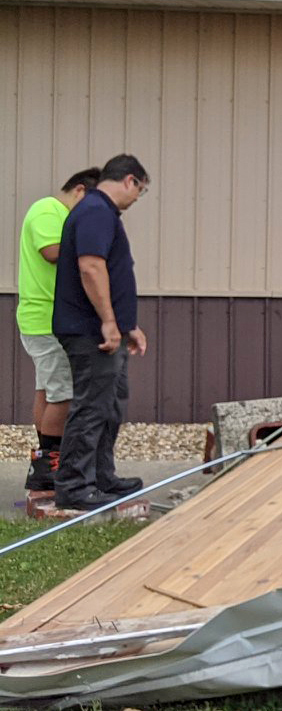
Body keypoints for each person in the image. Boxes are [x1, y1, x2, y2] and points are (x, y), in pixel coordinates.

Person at [51, 155, 150, 511]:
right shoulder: (95, 209)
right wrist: (108, 322)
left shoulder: (102, 212)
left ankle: (101, 476)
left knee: (110, 403)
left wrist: (128, 326)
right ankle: (75, 486)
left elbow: (112, 272)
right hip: (90, 330)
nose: (138, 198)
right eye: (141, 189)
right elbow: (91, 267)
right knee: (92, 406)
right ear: (129, 181)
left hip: (108, 330)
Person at [15, 167, 101, 491]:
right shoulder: (47, 209)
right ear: (79, 191)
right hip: (48, 318)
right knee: (64, 392)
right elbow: (52, 252)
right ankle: (52, 461)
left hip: (46, 317)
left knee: (48, 390)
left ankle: (43, 461)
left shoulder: (55, 213)